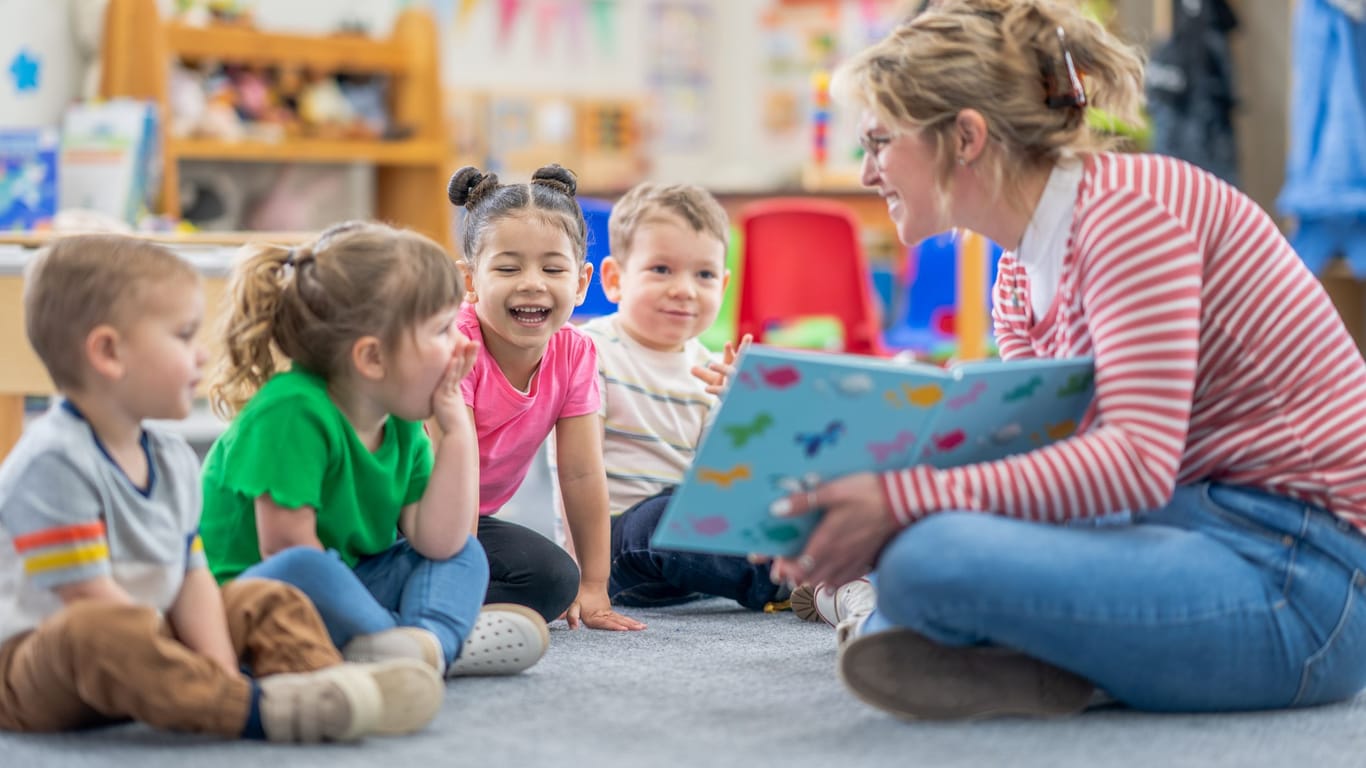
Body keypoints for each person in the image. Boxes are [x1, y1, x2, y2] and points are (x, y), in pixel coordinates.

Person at [768, 0, 1366, 720]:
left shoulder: (1131, 215)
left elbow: (1135, 464)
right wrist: (854, 502)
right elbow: (1045, 463)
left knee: (928, 561)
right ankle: (1047, 655)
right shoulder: (1017, 274)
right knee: (912, 548)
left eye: (879, 142)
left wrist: (898, 504)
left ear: (964, 136)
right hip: (1181, 527)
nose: (867, 173)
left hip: (1306, 581)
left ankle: (999, 642)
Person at [0, 235, 442, 743]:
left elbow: (192, 580)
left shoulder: (168, 456)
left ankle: (327, 686)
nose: (201, 354)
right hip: (38, 669)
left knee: (264, 597)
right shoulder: (53, 461)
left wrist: (219, 665)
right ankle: (256, 710)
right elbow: (88, 597)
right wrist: (214, 681)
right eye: (184, 336)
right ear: (109, 353)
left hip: (155, 637)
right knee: (99, 629)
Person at [199, 221, 549, 679]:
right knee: (305, 563)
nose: (464, 342)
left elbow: (437, 540)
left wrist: (458, 432)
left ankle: (423, 644)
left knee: (463, 553)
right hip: (259, 600)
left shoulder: (401, 417)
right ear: (372, 359)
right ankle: (412, 643)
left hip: (350, 587)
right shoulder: (290, 409)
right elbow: (284, 548)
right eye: (442, 329)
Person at [445, 164, 645, 632]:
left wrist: (595, 585)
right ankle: (422, 601)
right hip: (403, 509)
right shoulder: (455, 343)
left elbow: (581, 472)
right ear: (471, 280)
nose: (532, 282)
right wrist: (454, 572)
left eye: (553, 268)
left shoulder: (575, 352)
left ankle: (426, 593)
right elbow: (453, 466)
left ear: (580, 281)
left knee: (555, 579)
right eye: (508, 267)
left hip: (469, 519)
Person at [579, 182, 785, 611]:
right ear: (615, 280)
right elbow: (575, 469)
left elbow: (724, 478)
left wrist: (739, 411)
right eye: (661, 269)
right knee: (667, 516)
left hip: (690, 548)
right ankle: (789, 580)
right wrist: (580, 568)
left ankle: (814, 561)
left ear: (723, 285)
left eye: (704, 275)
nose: (685, 290)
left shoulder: (709, 368)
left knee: (770, 494)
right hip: (615, 549)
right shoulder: (587, 351)